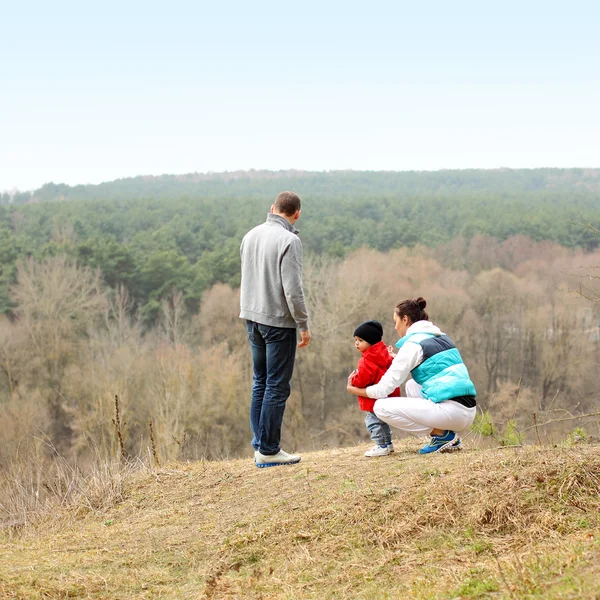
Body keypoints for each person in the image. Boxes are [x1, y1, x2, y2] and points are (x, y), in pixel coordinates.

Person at [347, 298, 476, 454]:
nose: (395, 327)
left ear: (405, 319)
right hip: (467, 410)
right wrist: (396, 358)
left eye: (396, 322)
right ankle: (444, 434)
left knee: (380, 407)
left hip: (452, 412)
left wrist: (354, 390)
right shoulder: (441, 337)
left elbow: (383, 389)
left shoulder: (413, 344)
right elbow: (430, 364)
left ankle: (441, 435)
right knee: (412, 385)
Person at [240, 191, 311, 468]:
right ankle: (269, 450)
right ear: (297, 214)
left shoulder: (250, 235)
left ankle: (260, 444)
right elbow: (293, 290)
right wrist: (303, 324)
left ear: (272, 208)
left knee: (260, 381)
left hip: (251, 318)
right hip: (277, 322)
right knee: (277, 386)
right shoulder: (290, 240)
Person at [349, 320, 400, 457]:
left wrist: (353, 378)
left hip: (373, 400)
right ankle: (388, 444)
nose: (357, 343)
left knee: (373, 422)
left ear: (371, 342)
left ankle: (381, 445)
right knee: (383, 422)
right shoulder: (385, 355)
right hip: (387, 397)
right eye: (356, 340)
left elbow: (362, 381)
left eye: (360, 340)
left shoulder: (366, 361)